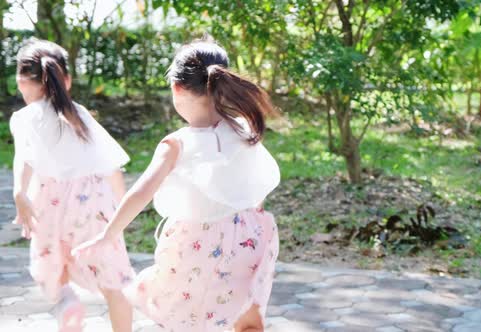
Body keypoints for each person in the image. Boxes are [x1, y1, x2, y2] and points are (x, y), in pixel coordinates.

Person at [73, 38, 281, 332]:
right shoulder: (243, 128)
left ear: (177, 88)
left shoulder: (176, 144)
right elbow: (257, 184)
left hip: (197, 245)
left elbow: (141, 193)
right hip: (251, 238)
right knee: (246, 316)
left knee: (187, 318)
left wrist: (107, 235)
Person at [10, 39, 135, 332]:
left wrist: (20, 191)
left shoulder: (24, 118)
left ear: (21, 81)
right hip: (94, 203)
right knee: (114, 282)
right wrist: (121, 216)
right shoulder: (79, 115)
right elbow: (111, 168)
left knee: (57, 268)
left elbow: (24, 158)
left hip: (49, 202)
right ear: (66, 79)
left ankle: (69, 305)